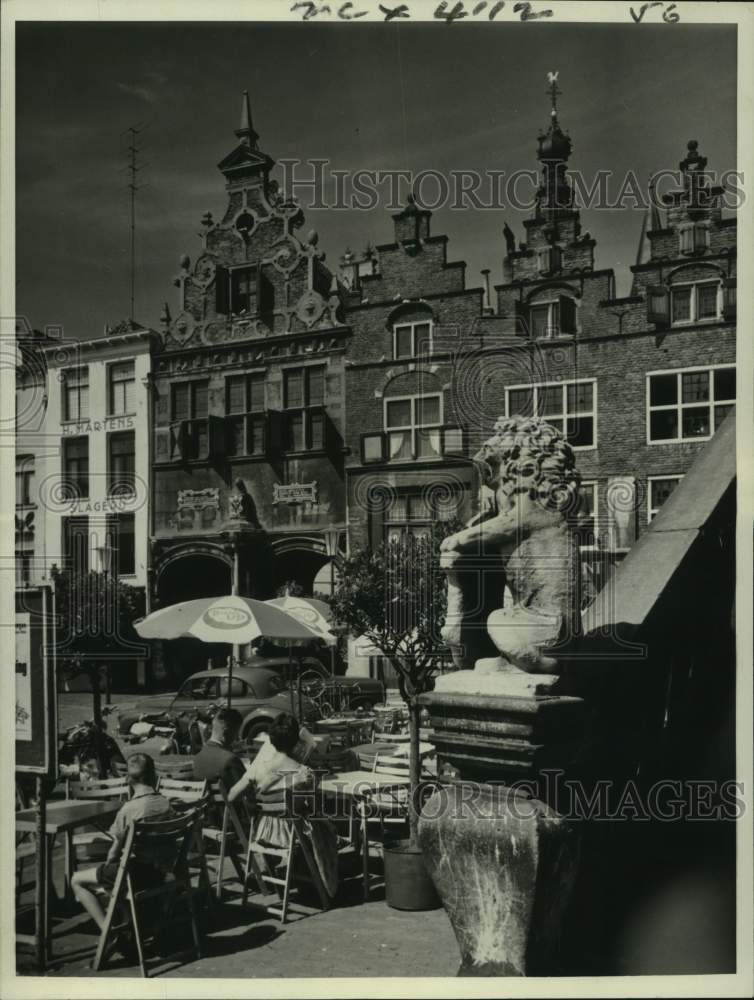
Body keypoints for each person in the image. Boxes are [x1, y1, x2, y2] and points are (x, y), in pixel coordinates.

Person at [228, 713, 339, 900]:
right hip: (290, 833)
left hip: (263, 830)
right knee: (325, 830)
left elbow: (231, 795)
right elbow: (315, 810)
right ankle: (324, 886)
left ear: (271, 739)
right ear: (296, 741)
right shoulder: (303, 772)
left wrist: (254, 803)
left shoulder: (259, 768)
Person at [71, 753, 173, 954]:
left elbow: (113, 855)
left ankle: (108, 932)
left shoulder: (128, 810)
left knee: (77, 880)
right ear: (153, 776)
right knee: (109, 880)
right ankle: (128, 920)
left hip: (134, 876)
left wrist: (109, 864)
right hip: (158, 874)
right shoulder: (166, 804)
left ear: (128, 779)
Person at [193, 707, 246, 790]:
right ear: (226, 731)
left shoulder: (197, 758)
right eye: (236, 732)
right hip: (229, 802)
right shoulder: (230, 760)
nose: (237, 737)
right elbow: (247, 793)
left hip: (206, 802)